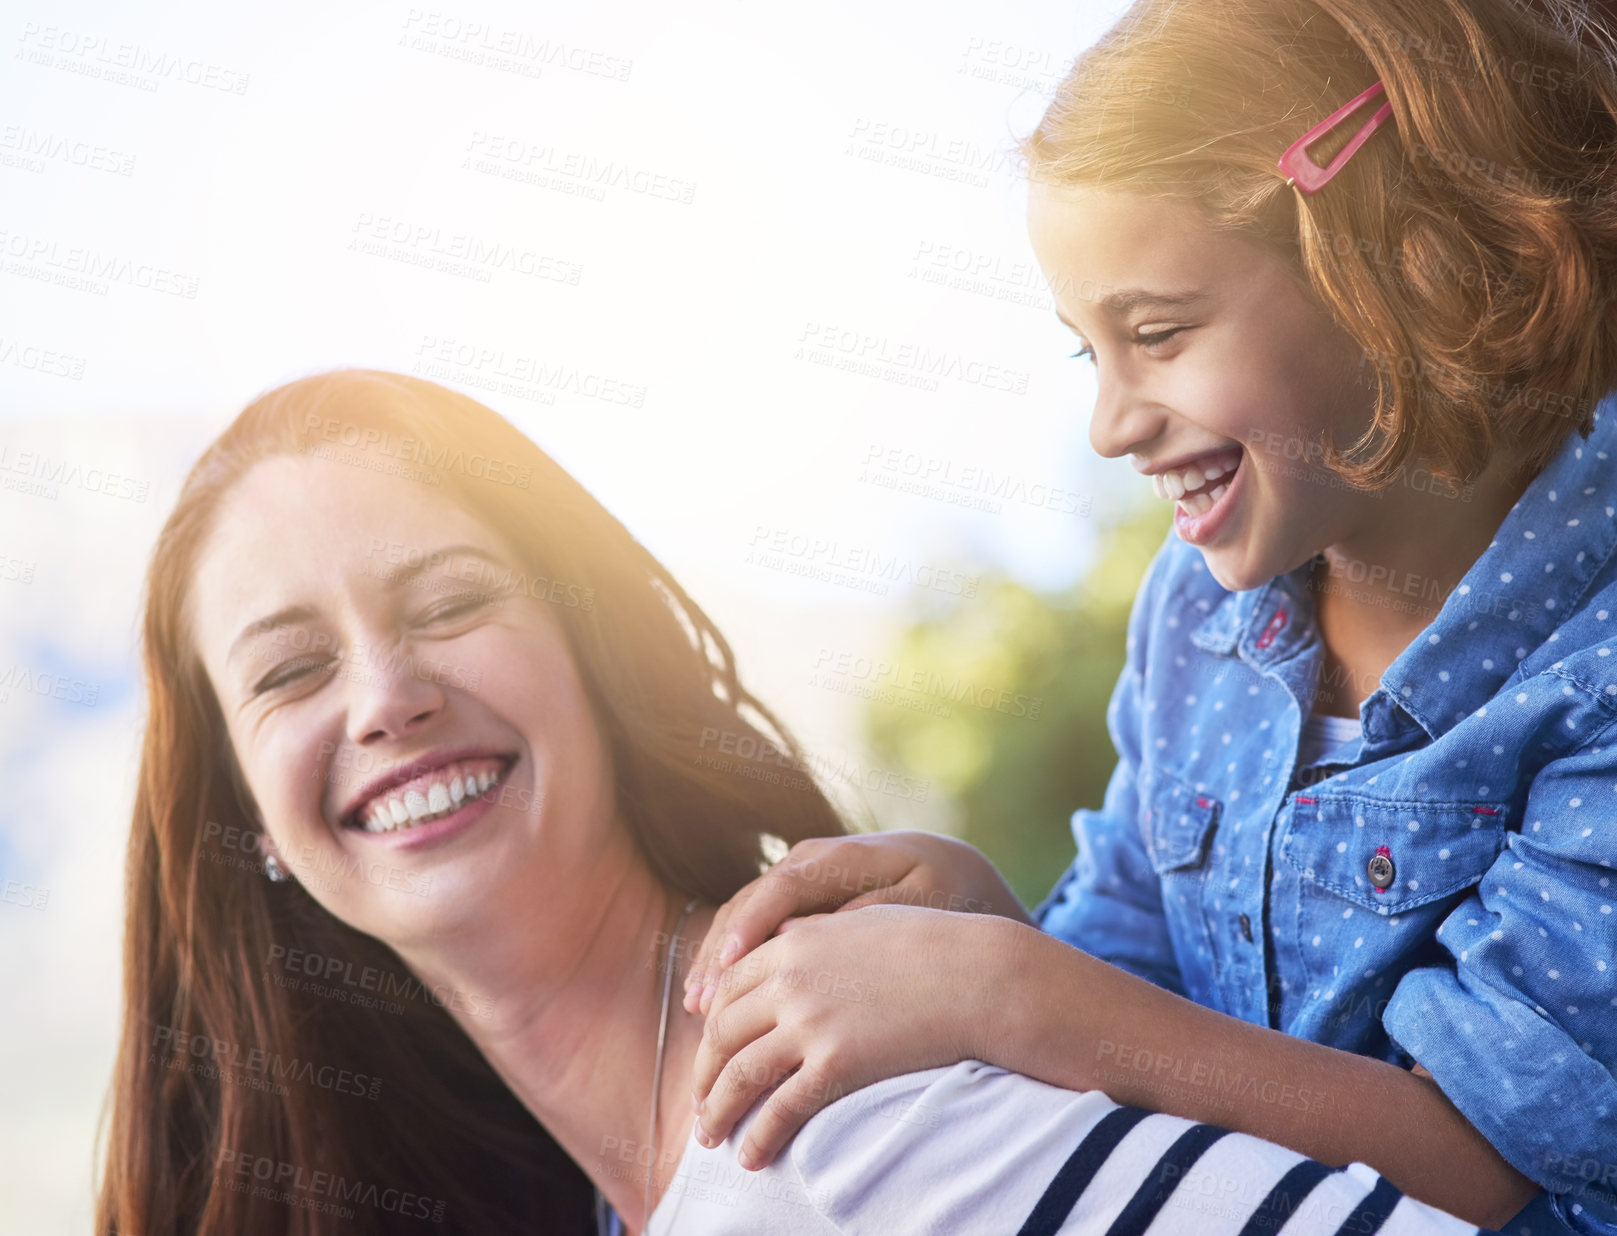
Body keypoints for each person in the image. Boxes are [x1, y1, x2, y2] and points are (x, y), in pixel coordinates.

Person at [95, 369, 1495, 1236]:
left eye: (450, 601)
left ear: (590, 650)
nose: (385, 695)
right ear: (250, 823)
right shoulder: (616, 1188)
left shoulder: (847, 1119)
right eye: (290, 670)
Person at [680, 2, 1617, 1234]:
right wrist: (984, 923)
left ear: (1404, 259)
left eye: (1158, 335)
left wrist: (1015, 992)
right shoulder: (1199, 616)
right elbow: (1133, 983)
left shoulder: (1592, 666)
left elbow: (1481, 1161)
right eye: (1090, 355)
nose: (1113, 424)